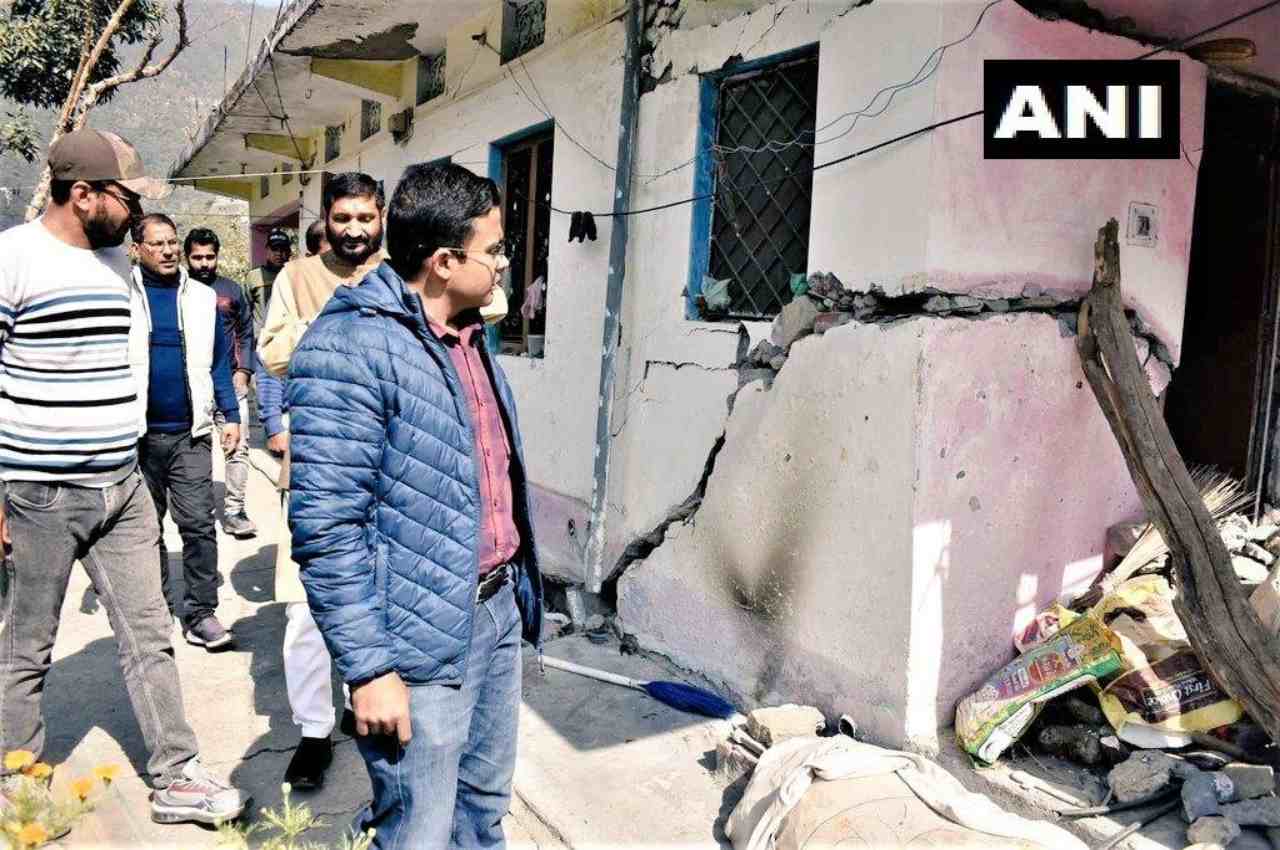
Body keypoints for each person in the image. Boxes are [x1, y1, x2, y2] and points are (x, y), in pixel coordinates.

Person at [287, 162, 544, 847]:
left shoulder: (465, 333)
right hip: (416, 639)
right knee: (419, 829)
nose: (501, 264)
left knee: (482, 813)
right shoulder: (348, 348)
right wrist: (370, 670)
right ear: (442, 262)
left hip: (493, 614)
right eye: (492, 251)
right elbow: (327, 528)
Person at [0, 128, 247, 828]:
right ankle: (16, 786)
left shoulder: (118, 261)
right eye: (126, 197)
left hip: (124, 484)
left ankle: (177, 777)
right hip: (40, 493)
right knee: (25, 649)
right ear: (81, 195)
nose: (138, 215)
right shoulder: (11, 260)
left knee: (150, 637)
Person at [257, 172, 385, 790]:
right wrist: (351, 329)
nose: (355, 230)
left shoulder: (410, 266)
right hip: (317, 465)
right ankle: (313, 731)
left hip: (394, 468)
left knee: (388, 599)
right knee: (307, 610)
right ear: (327, 219)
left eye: (366, 218)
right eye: (343, 219)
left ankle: (375, 710)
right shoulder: (297, 278)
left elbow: (487, 303)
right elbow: (275, 352)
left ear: (381, 216)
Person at [133, 213, 241, 650]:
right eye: (157, 244)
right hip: (136, 437)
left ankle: (200, 612)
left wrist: (230, 414)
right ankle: (157, 611)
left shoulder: (201, 297)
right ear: (136, 249)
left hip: (190, 434)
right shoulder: (122, 294)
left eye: (172, 242)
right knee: (145, 531)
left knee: (197, 525)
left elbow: (219, 361)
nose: (168, 251)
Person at [184, 227, 257, 539]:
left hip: (229, 382)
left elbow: (245, 332)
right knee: (192, 448)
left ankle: (234, 511)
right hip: (191, 386)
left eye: (209, 257)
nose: (203, 263)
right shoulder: (178, 290)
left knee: (237, 448)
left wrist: (244, 371)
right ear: (187, 257)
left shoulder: (230, 290)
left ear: (217, 256)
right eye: (197, 257)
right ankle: (195, 512)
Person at [244, 228, 291, 331]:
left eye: (283, 249)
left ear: (289, 252)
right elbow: (245, 311)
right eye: (274, 249)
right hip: (260, 336)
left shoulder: (294, 275)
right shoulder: (254, 276)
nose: (279, 253)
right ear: (267, 250)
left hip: (286, 336)